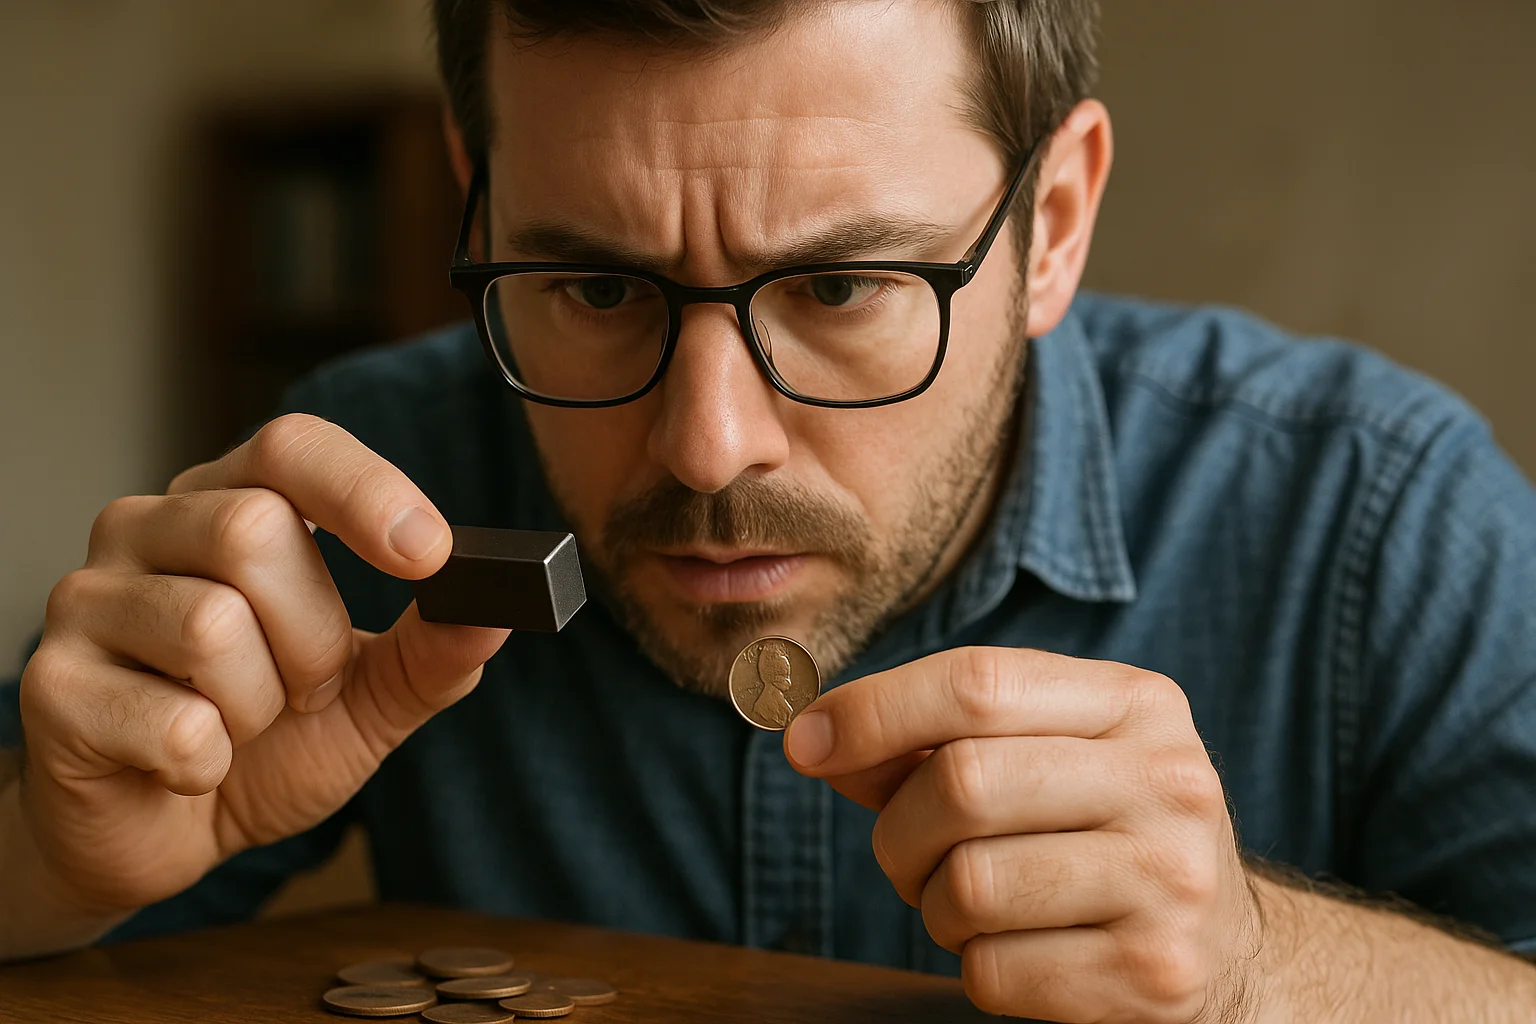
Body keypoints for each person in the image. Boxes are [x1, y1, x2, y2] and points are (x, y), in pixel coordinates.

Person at [2, 1, 1534, 1019]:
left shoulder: (1373, 512)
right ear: (476, 196)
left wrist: (1260, 972)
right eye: (594, 286)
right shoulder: (361, 477)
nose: (709, 447)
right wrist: (47, 861)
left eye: (842, 284)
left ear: (1051, 226)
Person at [751, 642, 796, 728]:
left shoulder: (782, 705)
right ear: (773, 676)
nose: (789, 682)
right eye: (783, 673)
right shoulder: (761, 708)